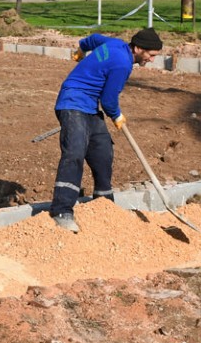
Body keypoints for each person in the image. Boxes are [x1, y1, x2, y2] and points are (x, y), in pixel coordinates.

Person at [49, 28, 164, 232]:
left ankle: (104, 205)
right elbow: (109, 100)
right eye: (151, 55)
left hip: (90, 106)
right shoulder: (123, 64)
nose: (152, 60)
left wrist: (81, 50)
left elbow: (92, 39)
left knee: (102, 153)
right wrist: (117, 115)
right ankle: (62, 211)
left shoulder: (115, 43)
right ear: (138, 49)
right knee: (75, 152)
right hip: (73, 102)